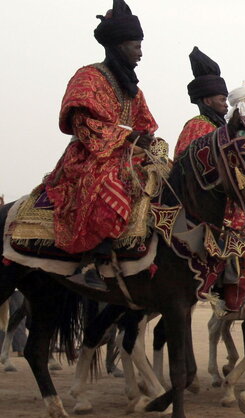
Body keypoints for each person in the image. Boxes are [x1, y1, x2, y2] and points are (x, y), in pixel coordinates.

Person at [45, 0, 158, 291]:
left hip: (127, 156)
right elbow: (81, 121)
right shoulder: (88, 77)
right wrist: (127, 137)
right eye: (136, 46)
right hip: (89, 155)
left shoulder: (133, 90)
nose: (141, 53)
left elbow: (145, 125)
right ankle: (92, 259)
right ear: (119, 45)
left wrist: (149, 142)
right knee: (111, 184)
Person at [173, 47, 228, 158]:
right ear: (207, 101)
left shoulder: (220, 128)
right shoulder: (197, 126)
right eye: (222, 100)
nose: (226, 105)